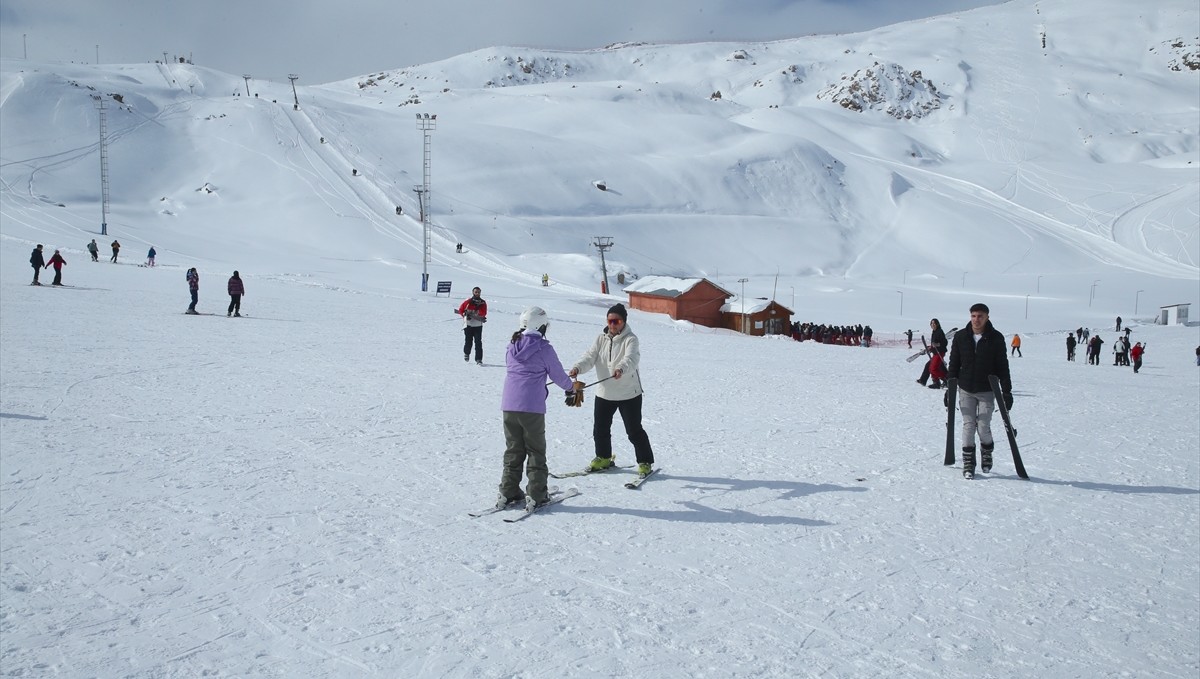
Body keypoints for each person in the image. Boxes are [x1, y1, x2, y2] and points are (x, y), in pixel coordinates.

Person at [496, 306, 577, 509]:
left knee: (514, 449)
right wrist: (570, 389)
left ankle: (508, 491)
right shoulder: (543, 348)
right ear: (540, 326)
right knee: (535, 450)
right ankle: (537, 494)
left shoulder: (511, 345)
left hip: (509, 405)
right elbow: (558, 375)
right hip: (531, 407)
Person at [570, 303, 656, 477]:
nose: (612, 324)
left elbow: (631, 359)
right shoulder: (600, 338)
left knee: (633, 430)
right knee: (600, 429)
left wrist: (621, 369)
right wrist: (578, 368)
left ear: (623, 321)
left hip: (628, 394)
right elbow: (590, 356)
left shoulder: (631, 339)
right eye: (610, 321)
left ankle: (645, 461)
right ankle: (603, 457)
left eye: (616, 321)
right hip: (605, 392)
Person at [945, 303, 1012, 480]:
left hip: (987, 390)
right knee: (968, 425)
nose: (976, 320)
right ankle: (968, 462)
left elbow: (1003, 366)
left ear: (987, 317)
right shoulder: (961, 337)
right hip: (966, 388)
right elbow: (953, 364)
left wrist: (1006, 392)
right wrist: (949, 389)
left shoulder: (996, 338)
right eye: (973, 316)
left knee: (983, 425)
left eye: (980, 316)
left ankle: (986, 452)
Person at [457, 286, 487, 364]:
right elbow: (460, 310)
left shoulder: (483, 303)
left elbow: (484, 313)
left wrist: (478, 310)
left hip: (478, 326)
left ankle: (479, 359)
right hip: (468, 325)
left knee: (478, 342)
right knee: (468, 341)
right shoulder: (468, 301)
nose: (477, 293)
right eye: (476, 292)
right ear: (473, 292)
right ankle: (466, 353)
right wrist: (465, 315)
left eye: (478, 292)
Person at [917, 318, 947, 386]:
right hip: (935, 353)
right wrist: (930, 348)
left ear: (937, 324)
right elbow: (934, 343)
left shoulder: (939, 331)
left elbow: (944, 342)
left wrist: (937, 344)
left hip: (939, 353)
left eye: (934, 323)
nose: (933, 325)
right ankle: (936, 382)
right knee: (930, 367)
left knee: (933, 369)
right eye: (932, 323)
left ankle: (946, 379)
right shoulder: (934, 332)